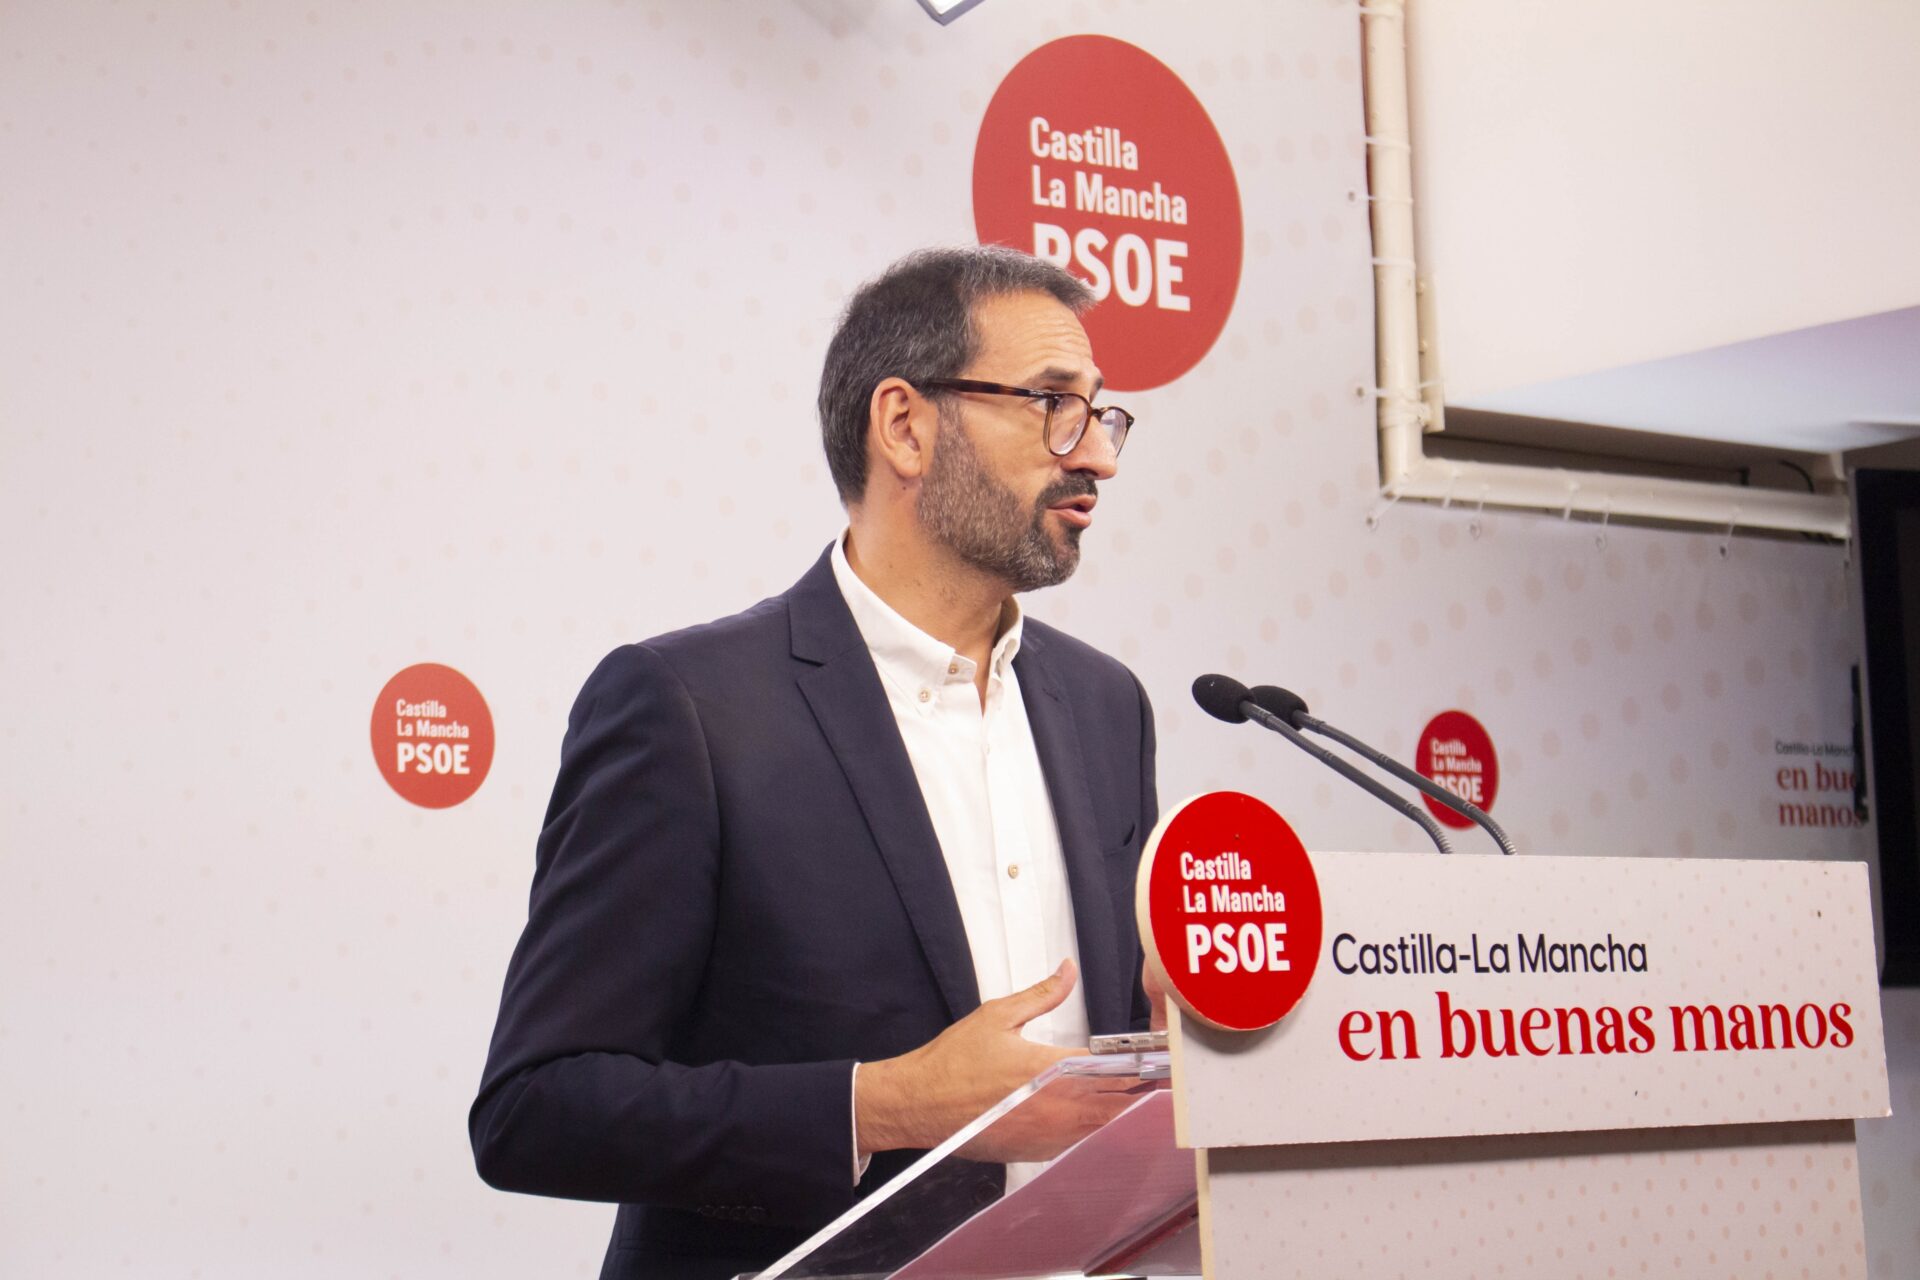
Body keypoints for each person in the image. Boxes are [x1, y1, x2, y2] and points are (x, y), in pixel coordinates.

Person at [470, 246, 1159, 1279]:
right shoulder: (689, 707)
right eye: (1053, 404)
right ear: (905, 425)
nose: (1097, 455)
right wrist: (885, 1104)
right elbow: (537, 1108)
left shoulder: (1107, 707)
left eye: (1101, 414)